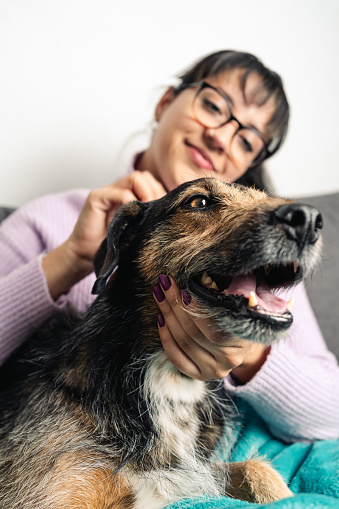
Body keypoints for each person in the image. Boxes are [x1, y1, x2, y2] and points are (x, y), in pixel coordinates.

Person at [1, 50, 338, 443]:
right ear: (165, 103)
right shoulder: (50, 219)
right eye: (213, 105)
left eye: (247, 141)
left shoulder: (265, 250)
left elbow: (332, 415)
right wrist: (70, 258)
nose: (221, 138)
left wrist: (247, 355)